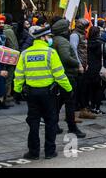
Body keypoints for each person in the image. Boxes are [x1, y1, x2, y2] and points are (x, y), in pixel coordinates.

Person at [14, 26, 72, 160]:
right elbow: (59, 75)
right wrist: (68, 89)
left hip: (31, 94)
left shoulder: (25, 53)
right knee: (50, 121)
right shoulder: (50, 53)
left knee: (33, 122)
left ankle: (33, 153)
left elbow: (19, 75)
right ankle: (49, 152)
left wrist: (17, 91)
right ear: (43, 37)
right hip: (48, 94)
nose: (50, 39)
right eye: (49, 37)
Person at [51, 19, 86, 138]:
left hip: (60, 74)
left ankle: (53, 125)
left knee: (59, 101)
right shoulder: (63, 42)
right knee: (70, 102)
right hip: (68, 75)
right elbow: (66, 57)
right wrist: (77, 63)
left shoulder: (54, 40)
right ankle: (72, 128)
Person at [70, 19, 95, 119]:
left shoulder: (82, 34)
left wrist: (86, 63)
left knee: (83, 88)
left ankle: (82, 110)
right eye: (85, 26)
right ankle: (74, 113)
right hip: (78, 66)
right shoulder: (74, 35)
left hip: (84, 65)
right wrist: (79, 65)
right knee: (77, 89)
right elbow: (74, 50)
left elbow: (84, 50)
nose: (86, 28)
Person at [86, 26, 104, 114]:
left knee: (90, 88)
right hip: (97, 67)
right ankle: (97, 107)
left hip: (88, 67)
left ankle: (91, 105)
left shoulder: (86, 42)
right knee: (98, 88)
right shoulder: (100, 43)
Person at [0, 15, 9, 109]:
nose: (1, 24)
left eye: (2, 22)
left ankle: (1, 102)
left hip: (2, 60)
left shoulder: (3, 33)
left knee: (2, 80)